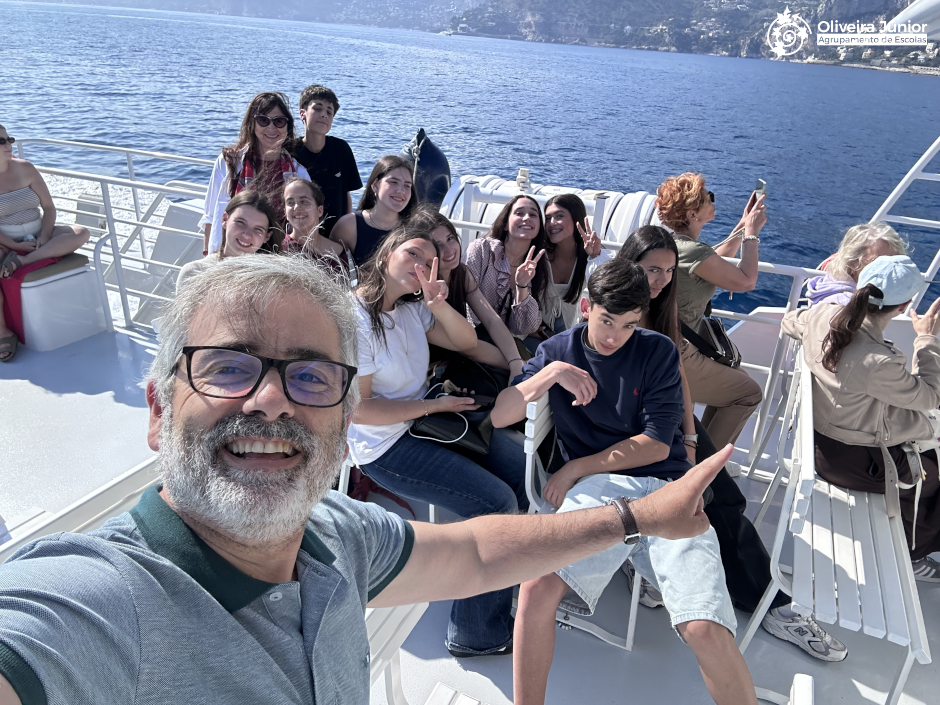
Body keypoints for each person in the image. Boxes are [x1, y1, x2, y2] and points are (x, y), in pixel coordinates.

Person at [0, 254, 728, 705]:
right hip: (406, 444)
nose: (270, 399)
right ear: (159, 412)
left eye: (311, 376)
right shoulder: (96, 604)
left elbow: (477, 552)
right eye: (228, 367)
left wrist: (639, 517)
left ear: (340, 418)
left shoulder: (334, 535)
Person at [491, 258, 756, 705]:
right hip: (600, 490)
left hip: (666, 487)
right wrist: (551, 373)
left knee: (703, 625)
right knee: (535, 588)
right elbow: (501, 415)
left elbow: (656, 446)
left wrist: (575, 467)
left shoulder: (657, 350)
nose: (615, 337)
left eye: (629, 325)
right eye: (607, 321)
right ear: (587, 307)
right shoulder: (558, 349)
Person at [616, 226, 847, 661]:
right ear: (630, 265)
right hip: (627, 425)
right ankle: (652, 566)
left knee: (721, 493)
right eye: (651, 269)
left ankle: (767, 601)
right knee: (701, 497)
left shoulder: (661, 306)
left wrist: (689, 437)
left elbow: (677, 376)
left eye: (669, 270)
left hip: (664, 418)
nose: (661, 279)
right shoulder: (615, 306)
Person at [348, 225, 528, 657]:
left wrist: (438, 304)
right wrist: (432, 407)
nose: (420, 266)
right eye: (412, 254)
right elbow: (360, 410)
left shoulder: (411, 310)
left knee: (523, 471)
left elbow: (465, 341)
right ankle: (475, 632)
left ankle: (494, 585)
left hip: (426, 422)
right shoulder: (354, 318)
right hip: (386, 446)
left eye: (429, 263)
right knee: (496, 503)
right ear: (387, 252)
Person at [783, 255, 940, 581]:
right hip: (854, 463)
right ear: (904, 306)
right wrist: (927, 340)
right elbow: (931, 397)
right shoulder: (879, 361)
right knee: (935, 480)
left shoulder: (824, 315)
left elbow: (790, 322)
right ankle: (912, 555)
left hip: (820, 446)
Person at [657, 172, 766, 448]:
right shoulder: (693, 251)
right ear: (693, 213)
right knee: (749, 393)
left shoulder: (675, 246)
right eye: (709, 198)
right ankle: (706, 467)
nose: (713, 201)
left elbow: (715, 260)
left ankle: (699, 453)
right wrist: (752, 234)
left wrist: (742, 224)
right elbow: (747, 281)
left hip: (667, 344)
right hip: (677, 353)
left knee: (739, 380)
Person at [0, 124, 90, 362]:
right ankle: (2, 331)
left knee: (81, 232)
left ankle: (24, 261)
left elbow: (49, 207)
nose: (8, 145)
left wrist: (46, 235)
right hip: (6, 240)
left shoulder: (26, 168)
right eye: (1, 141)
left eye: (9, 139)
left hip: (39, 232)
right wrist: (15, 245)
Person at [410, 207, 526, 379]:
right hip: (434, 369)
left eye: (450, 238)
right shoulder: (422, 288)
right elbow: (468, 347)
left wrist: (516, 360)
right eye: (438, 245)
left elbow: (491, 319)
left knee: (515, 349)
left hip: (461, 356)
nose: (449, 250)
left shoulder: (461, 273)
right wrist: (519, 365)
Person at [200, 92, 309, 255]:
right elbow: (210, 216)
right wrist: (208, 255)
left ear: (287, 126)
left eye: (279, 121)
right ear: (252, 123)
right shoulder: (229, 163)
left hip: (279, 257)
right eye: (263, 120)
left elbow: (306, 225)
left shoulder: (298, 173)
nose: (271, 128)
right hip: (231, 254)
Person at [464, 194, 550, 349]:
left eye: (533, 214)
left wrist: (521, 287)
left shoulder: (538, 268)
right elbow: (465, 300)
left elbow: (522, 329)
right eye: (519, 213)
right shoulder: (482, 250)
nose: (526, 218)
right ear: (505, 224)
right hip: (470, 336)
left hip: (508, 344)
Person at [290, 84, 362, 238]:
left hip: (336, 235)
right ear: (303, 114)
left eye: (329, 112)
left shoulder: (341, 149)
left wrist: (346, 232)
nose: (324, 115)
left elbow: (346, 194)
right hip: (301, 235)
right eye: (317, 108)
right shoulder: (291, 151)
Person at [177, 190, 280, 292]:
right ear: (225, 219)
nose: (247, 234)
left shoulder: (272, 282)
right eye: (240, 222)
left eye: (258, 229)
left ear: (267, 236)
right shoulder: (194, 273)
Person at [543, 193, 612, 331]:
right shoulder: (539, 253)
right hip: (534, 328)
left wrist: (595, 256)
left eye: (559, 216)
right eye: (548, 218)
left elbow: (607, 290)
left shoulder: (588, 253)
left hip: (568, 329)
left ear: (576, 218)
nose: (552, 223)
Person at [331, 155, 416, 266]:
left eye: (407, 186)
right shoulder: (349, 226)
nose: (401, 190)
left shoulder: (414, 229)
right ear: (375, 185)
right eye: (393, 182)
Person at [806, 222, 907, 306]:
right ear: (853, 262)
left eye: (896, 262)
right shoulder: (846, 306)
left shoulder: (827, 286)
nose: (889, 269)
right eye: (879, 262)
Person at [282, 176, 353, 284]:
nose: (296, 207)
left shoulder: (339, 253)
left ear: (319, 211)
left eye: (304, 201)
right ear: (285, 213)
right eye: (290, 203)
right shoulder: (280, 250)